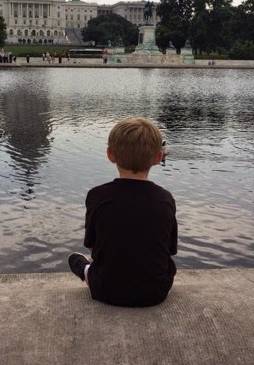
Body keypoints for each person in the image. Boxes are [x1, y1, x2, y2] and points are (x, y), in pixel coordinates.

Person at [68, 117, 177, 307]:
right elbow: (170, 250)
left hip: (106, 290)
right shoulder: (165, 199)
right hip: (156, 292)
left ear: (110, 155)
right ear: (158, 157)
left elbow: (91, 245)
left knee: (75, 260)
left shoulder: (97, 196)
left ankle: (86, 269)